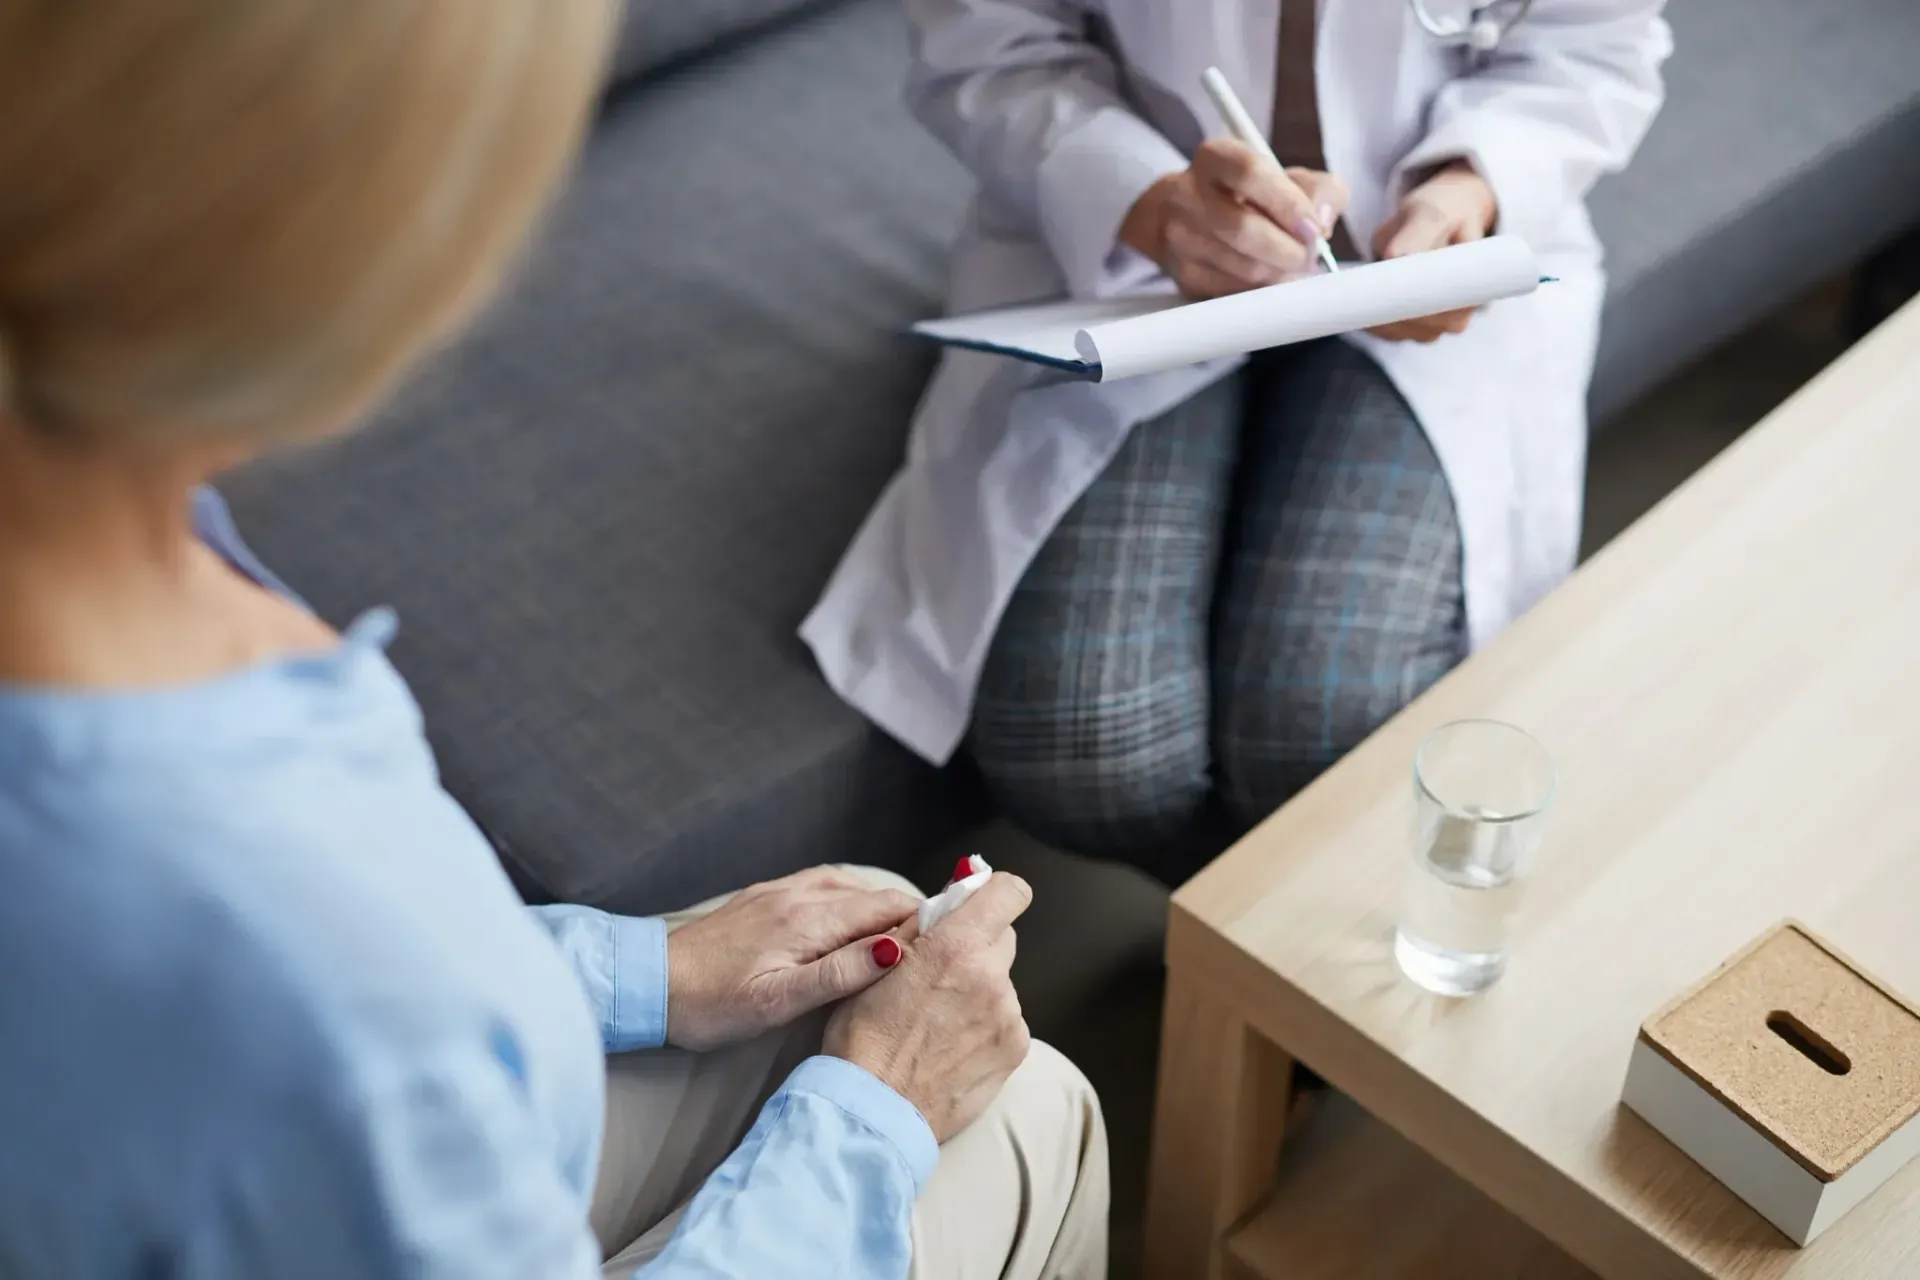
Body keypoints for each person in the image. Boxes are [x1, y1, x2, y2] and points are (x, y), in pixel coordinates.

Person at [0, 3, 1105, 1278]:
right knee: (1026, 1109)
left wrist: (641, 968)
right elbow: (338, 1034)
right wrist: (877, 1114)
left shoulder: (112, 571)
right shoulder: (301, 966)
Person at [802, 0, 1672, 880]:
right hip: (1125, 264)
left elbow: (1593, 46)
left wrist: (1469, 189)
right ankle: (1258, 927)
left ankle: (1260, 944)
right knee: (1084, 752)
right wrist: (1144, 202)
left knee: (1322, 734)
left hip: (1434, 274)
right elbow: (987, 40)